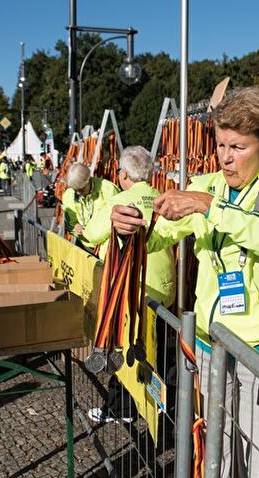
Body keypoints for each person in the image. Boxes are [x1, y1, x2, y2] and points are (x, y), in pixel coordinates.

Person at [111, 87, 259, 478]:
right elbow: (158, 234)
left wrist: (210, 207)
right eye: (220, 144)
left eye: (238, 147)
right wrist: (128, 227)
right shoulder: (206, 185)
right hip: (209, 346)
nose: (225, 157)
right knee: (215, 453)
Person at [81, 146, 176, 423]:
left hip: (129, 290)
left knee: (123, 348)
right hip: (163, 290)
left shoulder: (119, 202)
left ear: (123, 174)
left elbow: (91, 235)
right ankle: (162, 410)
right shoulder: (162, 199)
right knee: (158, 351)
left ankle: (122, 409)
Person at [61, 162, 119, 249]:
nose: (78, 193)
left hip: (107, 246)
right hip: (84, 244)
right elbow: (71, 223)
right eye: (75, 189)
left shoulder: (108, 189)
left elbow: (118, 219)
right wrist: (75, 227)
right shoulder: (69, 195)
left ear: (88, 180)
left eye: (81, 189)